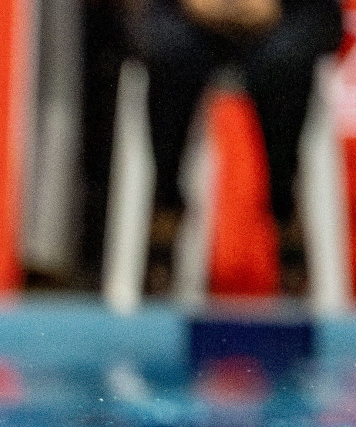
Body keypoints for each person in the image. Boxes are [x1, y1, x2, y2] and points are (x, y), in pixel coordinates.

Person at [131, 0, 344, 294]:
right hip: (188, 19)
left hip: (286, 17)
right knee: (168, 50)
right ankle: (166, 205)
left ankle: (284, 204)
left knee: (286, 59)